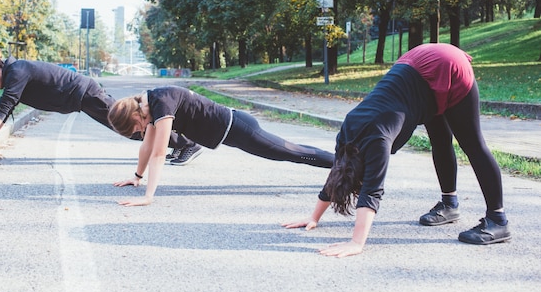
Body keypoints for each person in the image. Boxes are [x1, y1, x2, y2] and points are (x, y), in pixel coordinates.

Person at [283, 43, 510, 257]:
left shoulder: (377, 142)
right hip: (417, 67)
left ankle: (498, 220)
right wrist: (314, 217)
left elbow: (371, 193)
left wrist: (356, 243)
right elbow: (337, 172)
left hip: (445, 66)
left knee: (472, 145)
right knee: (440, 141)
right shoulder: (347, 130)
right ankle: (449, 205)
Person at [0, 50, 202, 165]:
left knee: (129, 125)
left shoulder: (16, 72)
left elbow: (1, 109)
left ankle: (187, 143)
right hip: (83, 96)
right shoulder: (14, 72)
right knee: (131, 125)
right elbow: (5, 111)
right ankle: (182, 143)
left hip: (85, 94)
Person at [107, 85, 336, 206]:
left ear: (136, 114)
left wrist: (148, 196)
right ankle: (344, 164)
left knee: (290, 152)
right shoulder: (151, 103)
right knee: (288, 151)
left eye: (137, 127)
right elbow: (147, 147)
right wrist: (137, 176)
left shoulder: (161, 103)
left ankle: (344, 164)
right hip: (233, 131)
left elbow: (158, 153)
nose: (142, 130)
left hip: (240, 128)